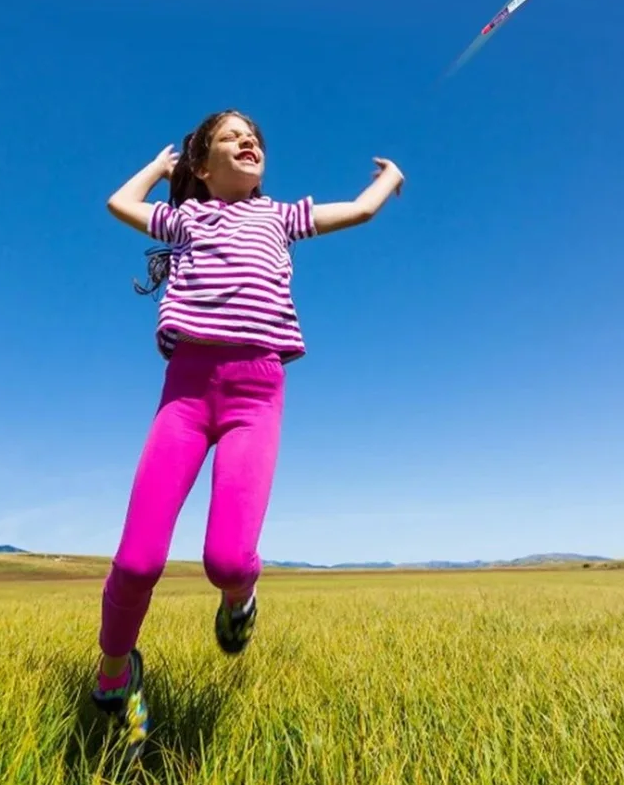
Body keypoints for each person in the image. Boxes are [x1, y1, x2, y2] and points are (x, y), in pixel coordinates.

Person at [91, 108, 403, 755]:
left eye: (253, 136)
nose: (248, 141)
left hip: (256, 392)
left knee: (227, 560)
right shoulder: (183, 219)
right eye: (231, 138)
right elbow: (119, 202)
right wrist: (158, 166)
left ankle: (241, 599)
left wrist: (389, 180)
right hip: (184, 393)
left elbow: (358, 213)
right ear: (202, 168)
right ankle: (116, 677)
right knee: (136, 561)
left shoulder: (279, 216)